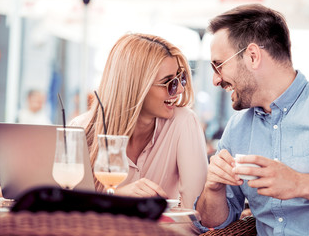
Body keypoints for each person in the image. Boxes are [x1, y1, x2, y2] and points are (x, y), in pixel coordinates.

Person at [194, 4, 309, 235]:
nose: (215, 80)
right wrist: (213, 188)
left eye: (218, 65)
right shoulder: (237, 128)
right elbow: (215, 222)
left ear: (253, 56)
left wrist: (299, 183)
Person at [70, 33, 208, 211]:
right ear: (136, 87)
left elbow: (197, 214)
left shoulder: (184, 122)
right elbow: (68, 210)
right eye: (169, 82)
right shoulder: (80, 130)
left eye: (180, 78)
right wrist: (117, 198)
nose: (180, 89)